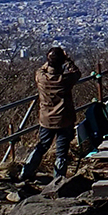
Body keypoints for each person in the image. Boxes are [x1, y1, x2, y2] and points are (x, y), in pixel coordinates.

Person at [19, 46, 81, 182]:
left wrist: (51, 59)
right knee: (62, 152)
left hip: (46, 119)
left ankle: (27, 171)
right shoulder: (65, 80)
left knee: (42, 146)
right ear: (62, 62)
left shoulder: (41, 78)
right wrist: (68, 60)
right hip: (64, 119)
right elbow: (77, 73)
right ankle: (58, 180)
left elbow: (41, 69)